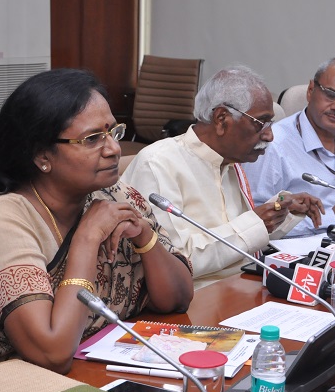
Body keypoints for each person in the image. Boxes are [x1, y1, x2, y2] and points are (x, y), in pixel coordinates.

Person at [0, 69, 194, 386]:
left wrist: (144, 237)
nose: (114, 148)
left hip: (89, 377)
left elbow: (177, 300)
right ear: (42, 156)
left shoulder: (114, 196)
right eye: (92, 139)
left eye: (113, 132)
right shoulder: (3, 220)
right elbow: (52, 353)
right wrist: (87, 238)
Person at [121, 66, 323, 289]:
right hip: (198, 296)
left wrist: (282, 213)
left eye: (270, 124)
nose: (269, 135)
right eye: (261, 123)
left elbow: (241, 245)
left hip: (244, 285)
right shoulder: (158, 163)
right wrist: (256, 223)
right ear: (221, 119)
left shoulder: (229, 161)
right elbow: (176, 261)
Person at [243, 58, 335, 236]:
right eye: (331, 95)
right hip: (302, 246)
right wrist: (332, 219)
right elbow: (256, 221)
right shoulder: (273, 145)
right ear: (311, 91)